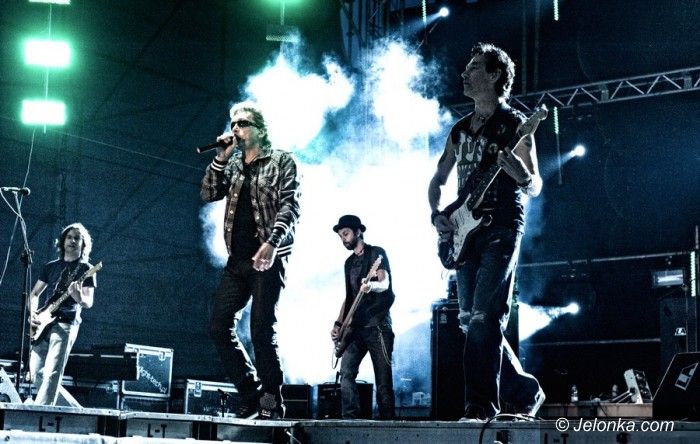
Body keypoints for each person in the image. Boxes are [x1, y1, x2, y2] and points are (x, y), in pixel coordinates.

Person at [428, 43, 545, 421]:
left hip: (502, 226)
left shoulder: (516, 125)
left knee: (484, 317)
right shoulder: (459, 130)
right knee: (469, 321)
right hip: (466, 232)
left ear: (495, 75)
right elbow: (438, 178)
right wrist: (436, 214)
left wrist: (521, 176)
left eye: (474, 67)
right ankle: (525, 391)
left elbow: (535, 184)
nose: (464, 73)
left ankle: (480, 408)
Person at [201, 101, 301, 420]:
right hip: (238, 260)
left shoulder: (282, 161)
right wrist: (220, 158)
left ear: (260, 129)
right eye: (233, 124)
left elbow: (290, 206)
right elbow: (208, 194)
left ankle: (271, 399)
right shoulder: (232, 164)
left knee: (260, 329)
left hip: (268, 258)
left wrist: (272, 242)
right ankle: (249, 392)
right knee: (218, 326)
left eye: (243, 123)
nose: (236, 129)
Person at [330, 215, 395, 419]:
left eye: (346, 234)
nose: (343, 239)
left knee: (383, 380)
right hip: (355, 328)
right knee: (346, 374)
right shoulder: (348, 263)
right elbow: (349, 298)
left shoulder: (376, 253)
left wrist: (371, 286)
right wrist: (338, 324)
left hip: (378, 326)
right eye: (341, 236)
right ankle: (350, 421)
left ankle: (388, 427)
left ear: (358, 231)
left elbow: (385, 283)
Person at [28, 222, 95, 406]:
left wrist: (78, 296)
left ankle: (40, 412)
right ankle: (72, 409)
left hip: (66, 323)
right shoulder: (50, 266)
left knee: (52, 373)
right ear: (63, 241)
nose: (72, 241)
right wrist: (33, 313)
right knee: (35, 373)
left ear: (83, 244)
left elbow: (88, 302)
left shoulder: (86, 269)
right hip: (43, 322)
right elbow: (34, 294)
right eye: (69, 237)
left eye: (77, 238)